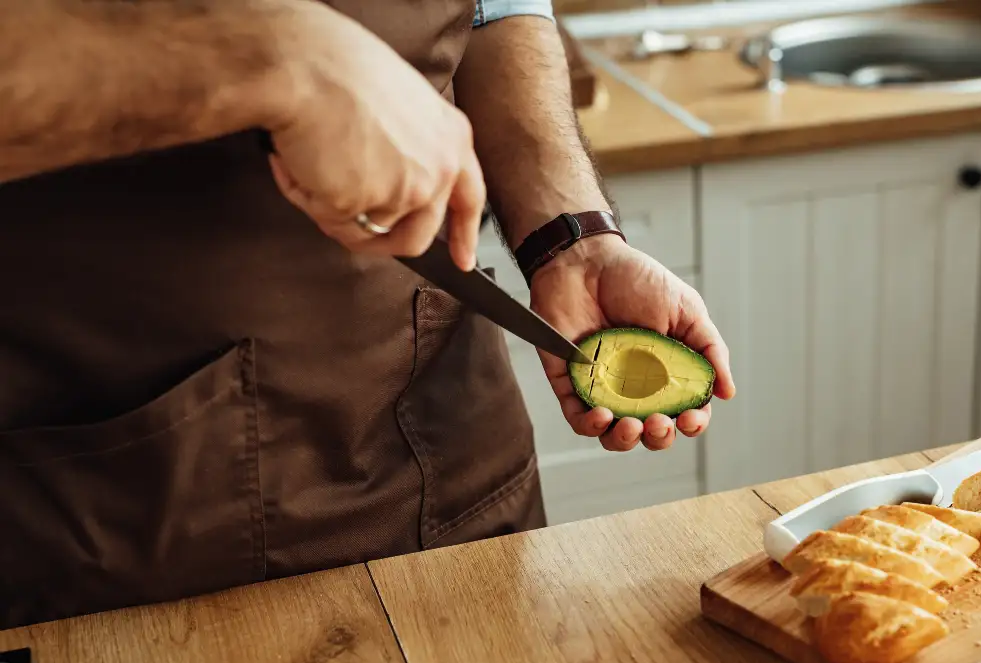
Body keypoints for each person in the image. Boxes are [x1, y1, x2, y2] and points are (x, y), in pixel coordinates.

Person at [0, 0, 735, 630]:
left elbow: (493, 10)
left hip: (451, 461)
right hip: (122, 501)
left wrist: (568, 237)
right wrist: (272, 49)